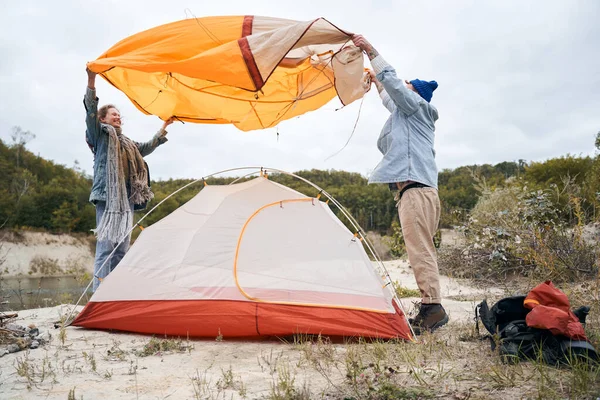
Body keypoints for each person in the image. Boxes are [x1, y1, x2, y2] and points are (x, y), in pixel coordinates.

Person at [352, 34, 448, 334]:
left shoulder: (418, 107)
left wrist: (370, 52)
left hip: (417, 192)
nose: (400, 86)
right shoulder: (406, 114)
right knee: (421, 249)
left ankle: (433, 308)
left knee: (420, 251)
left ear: (415, 93)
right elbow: (388, 94)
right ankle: (431, 306)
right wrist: (376, 80)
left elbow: (394, 85)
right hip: (417, 192)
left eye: (406, 85)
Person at [84, 67, 173, 291]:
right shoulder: (99, 136)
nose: (118, 116)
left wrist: (164, 127)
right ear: (103, 119)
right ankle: (98, 297)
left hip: (127, 201)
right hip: (107, 198)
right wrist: (91, 79)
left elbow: (147, 147)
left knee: (121, 250)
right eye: (113, 114)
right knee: (106, 248)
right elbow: (90, 111)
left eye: (119, 114)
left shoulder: (128, 144)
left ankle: (115, 295)